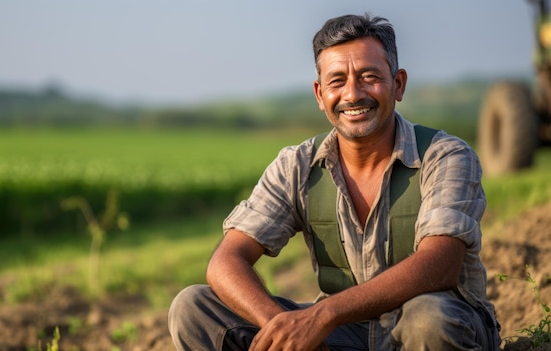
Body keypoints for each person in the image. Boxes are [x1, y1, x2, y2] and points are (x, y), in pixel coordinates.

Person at [168, 13, 501, 351]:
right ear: (319, 93)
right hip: (344, 336)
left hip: (437, 328)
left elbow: (440, 264)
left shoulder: (444, 156)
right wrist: (285, 329)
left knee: (427, 318)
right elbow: (226, 261)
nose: (353, 94)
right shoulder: (296, 166)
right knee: (193, 307)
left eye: (369, 76)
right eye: (337, 81)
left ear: (398, 84)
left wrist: (323, 315)